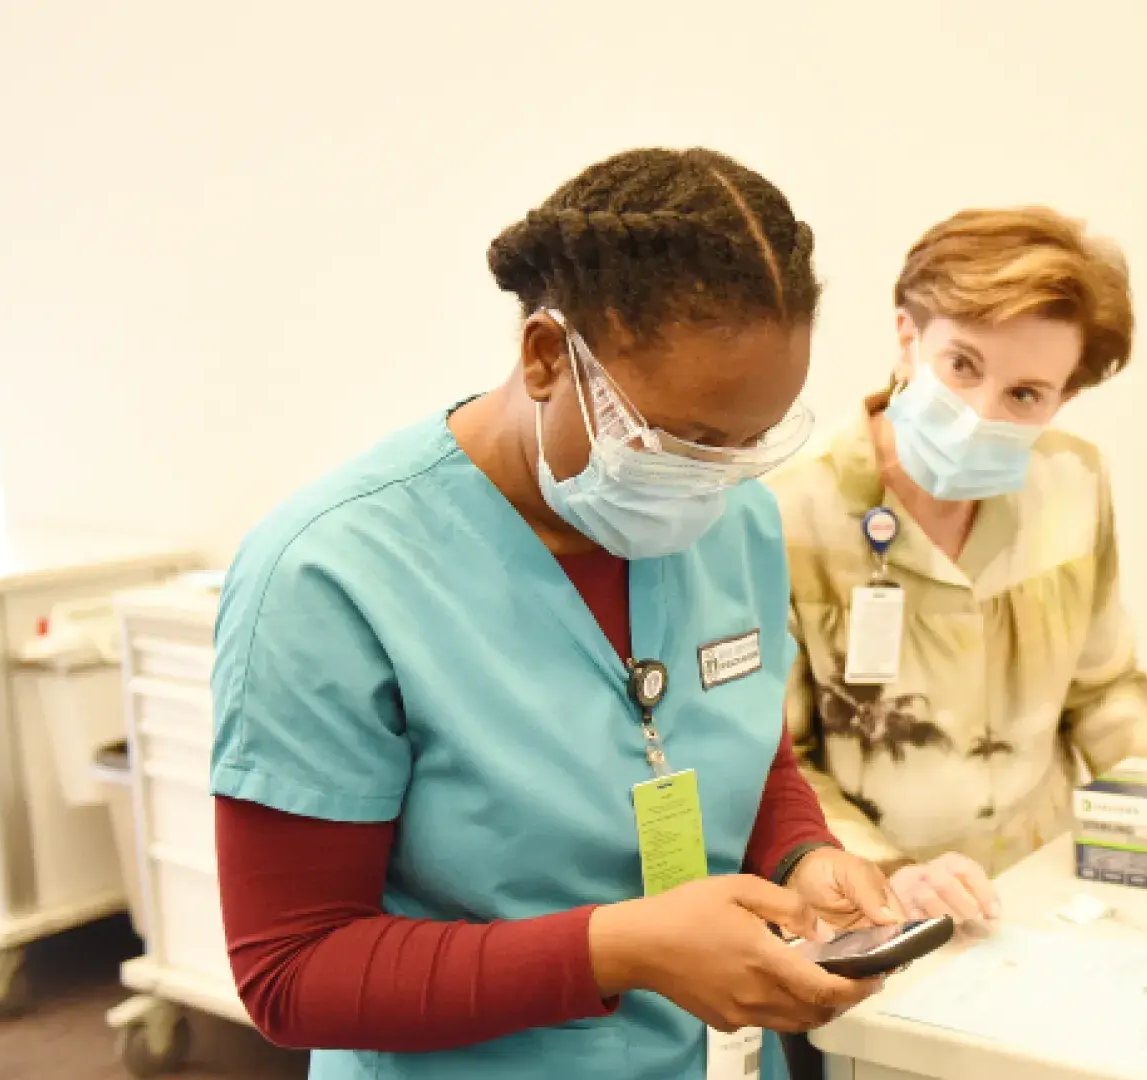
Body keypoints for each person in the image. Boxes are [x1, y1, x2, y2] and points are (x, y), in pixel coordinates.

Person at [208, 148, 905, 1080]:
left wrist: (801, 855)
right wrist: (619, 950)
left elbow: (747, 748)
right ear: (545, 358)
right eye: (684, 440)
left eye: (749, 444)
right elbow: (292, 972)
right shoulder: (331, 576)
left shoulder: (732, 518)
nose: (713, 481)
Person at [768, 207, 1147, 925]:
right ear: (907, 337)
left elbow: (1105, 693)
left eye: (1025, 395)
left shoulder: (1073, 484)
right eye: (962, 366)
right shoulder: (787, 510)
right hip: (873, 907)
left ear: (1065, 398)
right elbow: (780, 763)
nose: (980, 412)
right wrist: (892, 877)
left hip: (1043, 891)